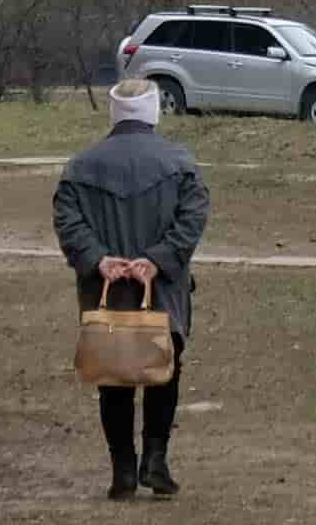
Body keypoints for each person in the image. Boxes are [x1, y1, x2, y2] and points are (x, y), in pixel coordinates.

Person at [53, 79, 208, 500]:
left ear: (114, 112)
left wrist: (98, 259)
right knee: (164, 369)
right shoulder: (180, 163)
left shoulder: (81, 166)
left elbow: (67, 220)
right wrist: (158, 260)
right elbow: (193, 217)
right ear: (154, 111)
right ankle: (155, 462)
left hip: (105, 289)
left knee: (114, 377)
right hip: (163, 290)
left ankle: (123, 471)